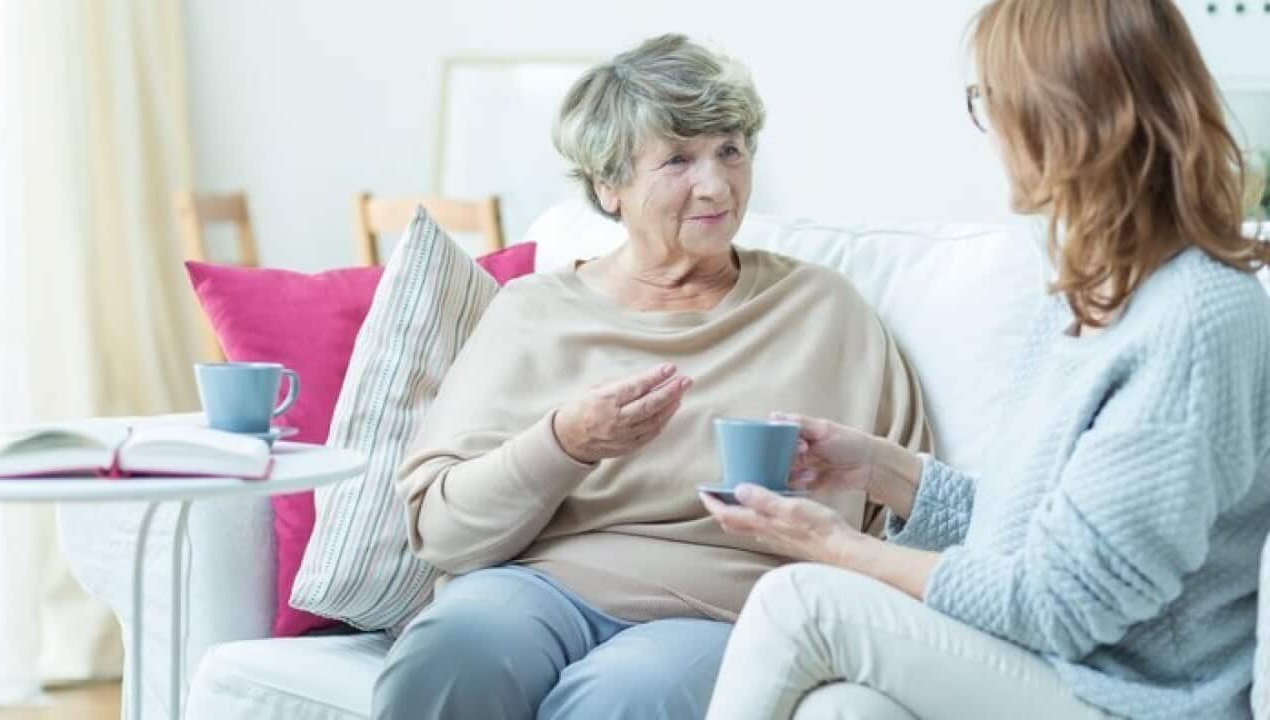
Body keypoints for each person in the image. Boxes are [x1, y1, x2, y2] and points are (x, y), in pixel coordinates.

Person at [703, 1, 1270, 718]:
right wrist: (882, 469)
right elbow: (1029, 539)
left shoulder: (1194, 316)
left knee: (801, 602)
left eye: (990, 100)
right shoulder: (1090, 292)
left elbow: (1062, 604)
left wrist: (837, 546)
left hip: (1134, 699)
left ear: (1061, 113)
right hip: (1048, 668)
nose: (989, 128)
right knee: (844, 710)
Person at [371, 34, 931, 720]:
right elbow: (442, 529)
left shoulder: (823, 310)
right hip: (540, 588)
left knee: (627, 696)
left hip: (726, 608)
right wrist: (565, 443)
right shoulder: (534, 313)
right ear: (610, 187)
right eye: (677, 160)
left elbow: (914, 515)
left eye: (730, 149)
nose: (717, 184)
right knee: (450, 651)